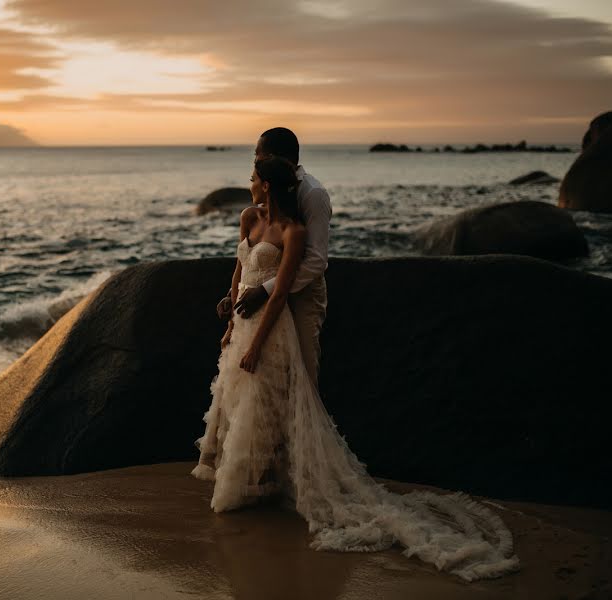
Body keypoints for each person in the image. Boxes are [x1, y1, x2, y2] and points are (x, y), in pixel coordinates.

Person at [192, 156, 519, 581]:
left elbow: (286, 289)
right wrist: (231, 316)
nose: (248, 183)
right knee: (239, 401)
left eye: (254, 177)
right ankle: (255, 483)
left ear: (270, 185)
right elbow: (240, 268)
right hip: (243, 325)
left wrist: (255, 341)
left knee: (272, 400)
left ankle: (263, 486)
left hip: (273, 328)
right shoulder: (248, 217)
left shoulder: (299, 224)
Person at [217, 128, 329, 387]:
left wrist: (265, 291)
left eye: (259, 154)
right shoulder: (259, 208)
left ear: (275, 158)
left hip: (301, 295)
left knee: (302, 376)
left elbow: (315, 261)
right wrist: (234, 293)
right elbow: (256, 257)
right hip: (265, 299)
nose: (254, 160)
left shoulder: (312, 194)